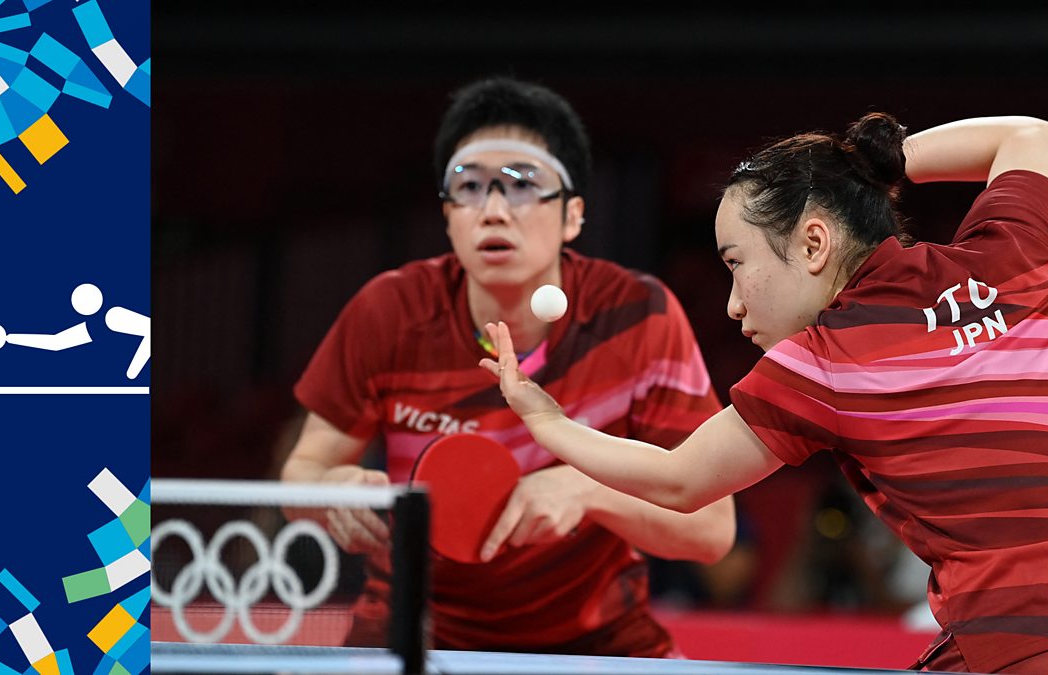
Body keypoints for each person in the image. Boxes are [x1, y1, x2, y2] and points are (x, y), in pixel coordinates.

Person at [480, 113, 1048, 672]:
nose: (731, 305)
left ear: (813, 243)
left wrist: (543, 416)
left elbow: (679, 479)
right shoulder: (1013, 254)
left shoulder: (827, 362)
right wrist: (884, 163)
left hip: (1034, 649)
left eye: (737, 263)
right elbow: (1031, 136)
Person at [280, 76, 734, 657]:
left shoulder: (638, 316)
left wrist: (589, 490)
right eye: (468, 187)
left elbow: (713, 532)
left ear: (572, 216)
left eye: (522, 185)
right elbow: (302, 475)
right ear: (447, 216)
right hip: (409, 634)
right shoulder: (389, 311)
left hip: (597, 642)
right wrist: (330, 491)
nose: (493, 210)